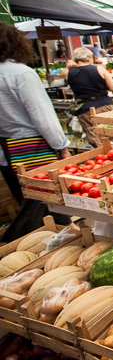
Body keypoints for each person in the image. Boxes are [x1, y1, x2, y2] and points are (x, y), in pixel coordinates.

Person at [0, 22, 73, 241]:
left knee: (25, 201)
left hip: (5, 152)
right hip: (31, 148)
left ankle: (33, 244)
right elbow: (42, 115)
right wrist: (61, 146)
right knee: (49, 203)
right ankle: (54, 243)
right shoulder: (21, 74)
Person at [63, 47, 113, 148]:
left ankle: (103, 156)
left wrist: (68, 66)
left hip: (84, 109)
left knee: (94, 136)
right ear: (89, 57)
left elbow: (65, 73)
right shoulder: (99, 69)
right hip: (104, 105)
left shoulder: (68, 72)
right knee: (110, 133)